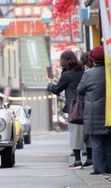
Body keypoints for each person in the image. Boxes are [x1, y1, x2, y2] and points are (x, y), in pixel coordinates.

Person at [46, 50, 92, 169]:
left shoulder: (67, 74)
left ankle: (77, 161)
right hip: (88, 105)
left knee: (76, 134)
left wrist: (49, 84)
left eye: (61, 59)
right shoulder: (83, 71)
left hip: (75, 107)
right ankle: (90, 159)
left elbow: (56, 89)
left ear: (65, 60)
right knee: (88, 134)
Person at [77, 46, 111, 175]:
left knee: (96, 141)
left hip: (93, 113)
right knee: (108, 141)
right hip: (109, 111)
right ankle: (109, 168)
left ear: (93, 59)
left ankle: (99, 169)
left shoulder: (89, 73)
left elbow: (80, 89)